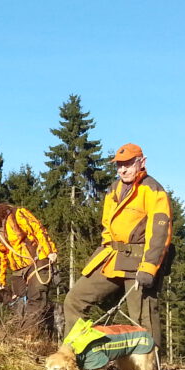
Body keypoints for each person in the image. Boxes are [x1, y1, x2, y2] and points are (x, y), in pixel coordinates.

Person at [62, 143, 172, 347]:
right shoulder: (114, 188)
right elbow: (107, 225)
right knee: (74, 300)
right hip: (112, 257)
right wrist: (106, 245)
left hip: (140, 262)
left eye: (129, 163)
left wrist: (148, 268)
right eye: (119, 165)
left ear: (142, 162)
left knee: (142, 320)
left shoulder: (154, 190)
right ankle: (77, 356)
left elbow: (160, 234)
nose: (123, 169)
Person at [0, 200, 58, 338]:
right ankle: (36, 329)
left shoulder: (18, 214)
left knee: (36, 297)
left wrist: (50, 251)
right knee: (16, 302)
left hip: (38, 260)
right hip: (18, 269)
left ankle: (25, 335)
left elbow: (38, 230)